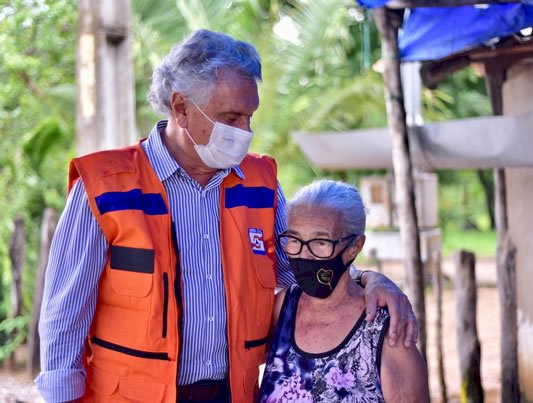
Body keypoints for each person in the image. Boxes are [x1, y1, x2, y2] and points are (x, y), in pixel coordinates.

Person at [35, 29, 418, 403]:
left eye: (249, 117)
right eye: (231, 117)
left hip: (230, 393)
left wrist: (367, 279)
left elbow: (299, 271)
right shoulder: (105, 186)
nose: (245, 131)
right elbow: (65, 313)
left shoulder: (260, 182)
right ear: (182, 108)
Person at [259, 179, 429, 403]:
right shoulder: (281, 309)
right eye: (294, 239)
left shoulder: (386, 331)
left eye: (320, 242)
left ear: (354, 247)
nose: (304, 255)